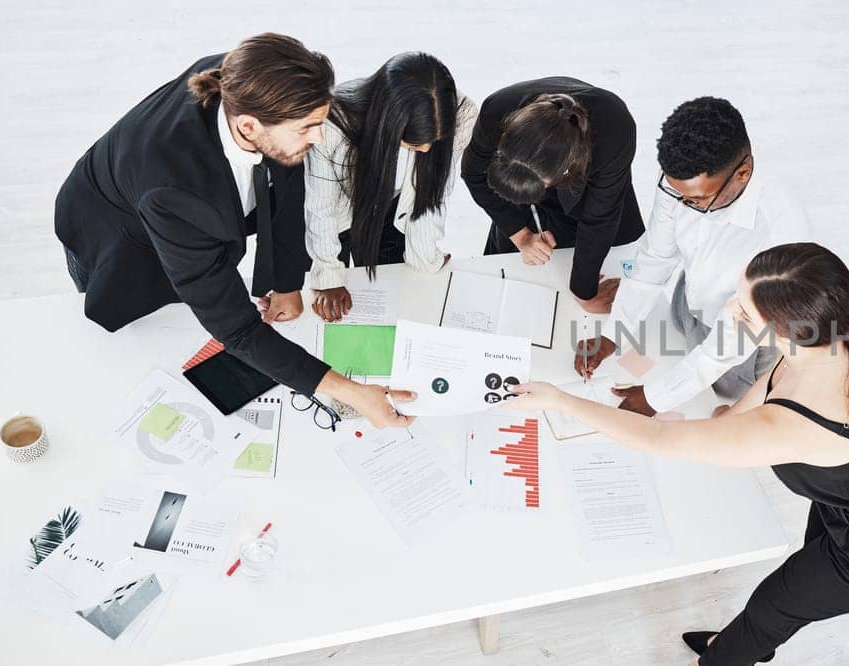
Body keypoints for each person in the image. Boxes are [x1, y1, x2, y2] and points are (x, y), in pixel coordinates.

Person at [508, 242, 849, 665]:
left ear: (783, 329)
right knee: (796, 583)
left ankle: (723, 657)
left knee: (774, 603)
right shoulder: (840, 318)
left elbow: (660, 441)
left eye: (742, 308)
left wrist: (560, 401)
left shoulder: (797, 425)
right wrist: (729, 420)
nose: (729, 310)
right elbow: (778, 380)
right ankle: (749, 639)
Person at [53, 33, 414, 427]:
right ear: (248, 125)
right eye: (308, 128)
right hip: (116, 232)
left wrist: (288, 280)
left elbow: (289, 180)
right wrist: (351, 391)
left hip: (178, 195)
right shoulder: (174, 194)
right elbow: (237, 329)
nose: (320, 137)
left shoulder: (252, 79)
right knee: (149, 329)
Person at [573, 97, 810, 416]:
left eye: (697, 200)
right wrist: (614, 335)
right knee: (676, 353)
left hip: (751, 340)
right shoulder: (682, 183)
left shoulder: (781, 235)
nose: (682, 205)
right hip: (694, 300)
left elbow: (728, 346)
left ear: (743, 173)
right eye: (676, 193)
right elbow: (655, 258)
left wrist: (655, 397)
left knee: (717, 401)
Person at [304, 52, 478, 321]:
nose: (427, 150)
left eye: (434, 141)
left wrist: (425, 259)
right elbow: (322, 206)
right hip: (347, 202)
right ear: (389, 124)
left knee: (394, 293)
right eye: (414, 143)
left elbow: (432, 193)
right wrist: (328, 276)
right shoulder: (333, 123)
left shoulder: (463, 115)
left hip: (397, 204)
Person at [460, 77, 644, 311]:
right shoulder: (497, 110)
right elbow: (473, 174)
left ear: (563, 172)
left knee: (606, 255)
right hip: (525, 176)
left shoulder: (615, 130)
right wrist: (521, 235)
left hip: (597, 181)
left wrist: (584, 293)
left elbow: (599, 220)